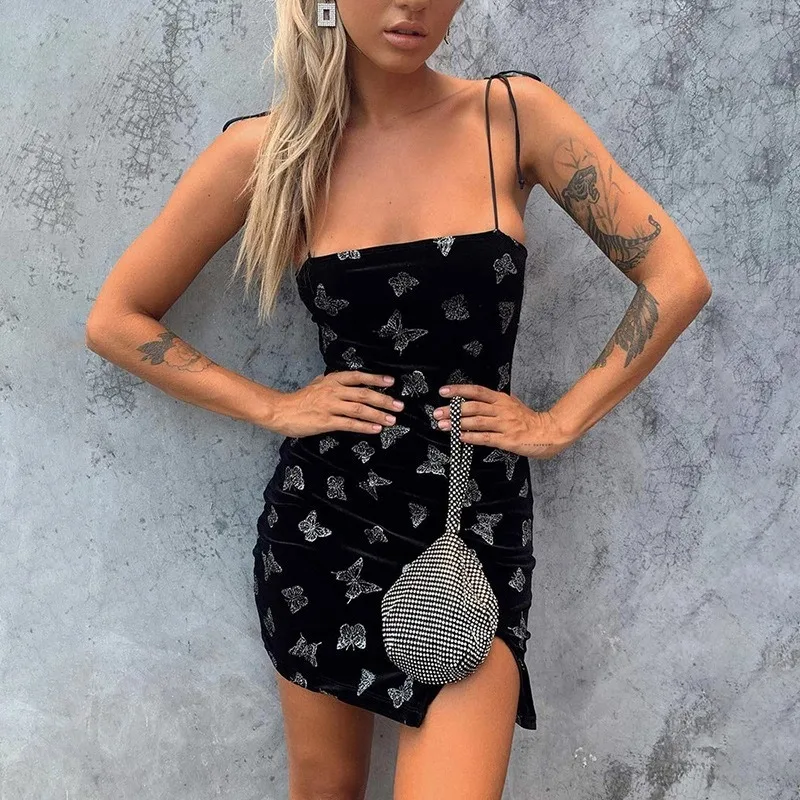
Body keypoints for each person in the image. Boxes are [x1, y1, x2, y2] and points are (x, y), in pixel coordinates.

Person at [84, 1, 712, 797]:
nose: (411, 4)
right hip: (324, 523)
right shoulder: (269, 150)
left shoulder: (513, 116)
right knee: (328, 789)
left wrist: (561, 422)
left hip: (469, 525)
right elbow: (116, 320)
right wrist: (273, 406)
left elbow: (676, 278)